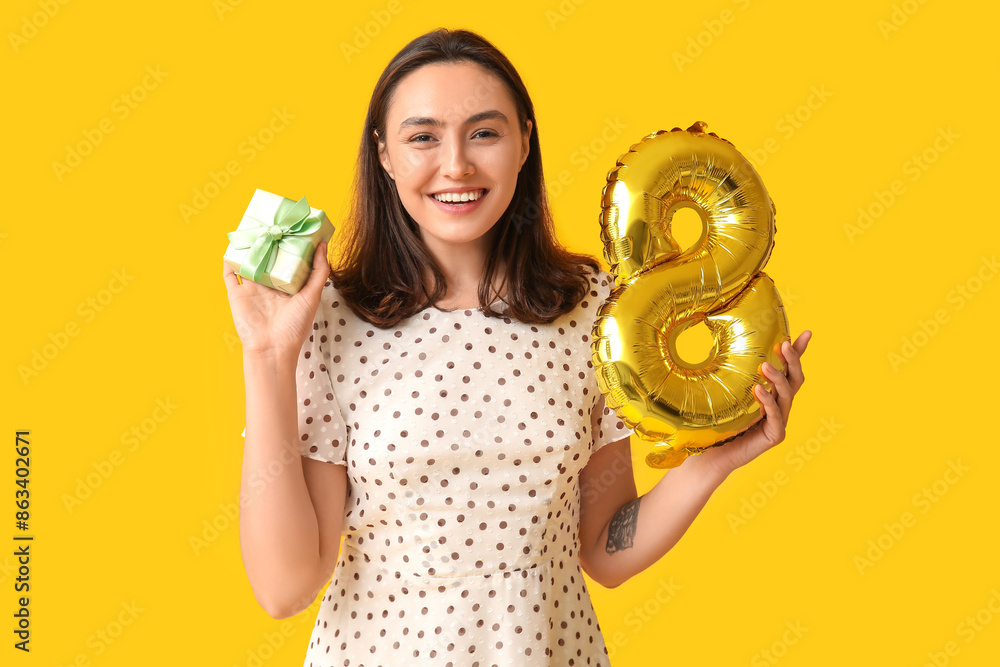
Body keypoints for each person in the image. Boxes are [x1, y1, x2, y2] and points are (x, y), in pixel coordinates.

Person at [222, 28, 811, 666]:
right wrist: (266, 355)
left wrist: (715, 458)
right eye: (423, 137)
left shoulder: (593, 308)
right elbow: (285, 588)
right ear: (385, 154)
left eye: (484, 132)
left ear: (525, 142)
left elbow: (604, 550)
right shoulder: (331, 320)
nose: (456, 165)